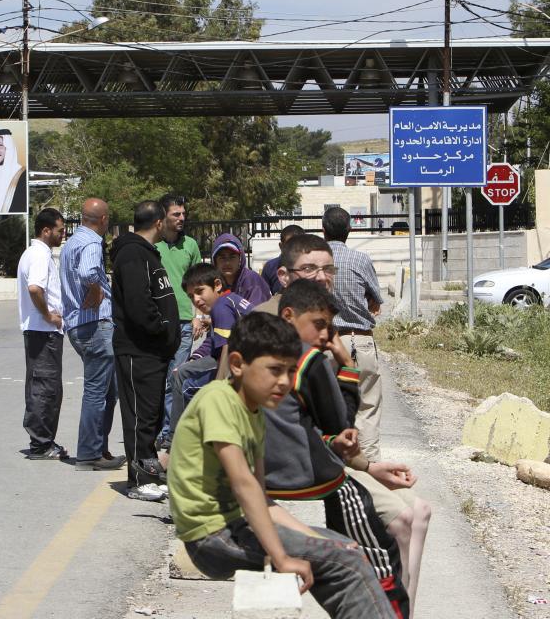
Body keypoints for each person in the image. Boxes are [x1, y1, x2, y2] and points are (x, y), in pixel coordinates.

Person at [167, 312, 395, 618]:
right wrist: (281, 556)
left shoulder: (255, 411)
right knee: (345, 562)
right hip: (211, 536)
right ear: (237, 364)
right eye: (275, 370)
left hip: (233, 527)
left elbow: (261, 496)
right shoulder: (218, 401)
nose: (286, 382)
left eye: (290, 371)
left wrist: (313, 539)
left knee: (347, 550)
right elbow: (244, 485)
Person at [266, 280, 410, 618]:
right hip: (308, 478)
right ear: (289, 316)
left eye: (329, 328)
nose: (324, 335)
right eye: (319, 325)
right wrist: (346, 365)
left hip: (262, 479)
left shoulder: (255, 345)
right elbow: (339, 424)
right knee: (380, 551)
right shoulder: (308, 360)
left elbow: (310, 429)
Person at [110, 200, 180, 501]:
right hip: (139, 350)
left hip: (152, 352)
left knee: (149, 416)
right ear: (158, 222)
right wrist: (162, 330)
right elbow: (140, 305)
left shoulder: (146, 254)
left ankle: (149, 473)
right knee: (139, 416)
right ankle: (139, 480)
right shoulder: (131, 254)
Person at [61, 198, 125, 471]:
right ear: (103, 219)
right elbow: (88, 272)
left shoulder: (72, 242)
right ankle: (88, 454)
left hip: (81, 325)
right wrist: (96, 289)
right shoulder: (91, 242)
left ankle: (99, 448)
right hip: (93, 325)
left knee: (109, 391)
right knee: (98, 392)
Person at [322, 206, 384, 461]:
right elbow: (377, 300)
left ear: (323, 231)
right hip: (359, 339)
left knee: (328, 403)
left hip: (325, 342)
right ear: (350, 229)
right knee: (367, 404)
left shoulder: (316, 262)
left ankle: (331, 460)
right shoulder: (361, 260)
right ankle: (367, 464)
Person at [166, 263, 253, 434]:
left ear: (217, 285)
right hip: (242, 358)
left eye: (200, 291)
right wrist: (194, 358)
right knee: (183, 371)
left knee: (185, 383)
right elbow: (215, 342)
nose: (196, 300)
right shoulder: (230, 300)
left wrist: (220, 389)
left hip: (245, 363)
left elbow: (226, 351)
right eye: (191, 296)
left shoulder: (221, 307)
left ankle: (175, 440)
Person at [155, 194, 203, 451]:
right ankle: (159, 427)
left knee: (176, 378)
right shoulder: (153, 245)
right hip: (158, 324)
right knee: (158, 378)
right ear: (163, 217)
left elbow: (199, 283)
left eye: (183, 214)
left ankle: (168, 432)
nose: (182, 218)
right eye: (176, 214)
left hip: (185, 323)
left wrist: (199, 316)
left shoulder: (191, 246)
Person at [17, 208, 66, 460]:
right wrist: (49, 316)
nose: (63, 234)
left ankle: (44, 441)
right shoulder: (37, 255)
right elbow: (35, 289)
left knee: (45, 385)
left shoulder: (39, 253)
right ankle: (41, 444)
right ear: (46, 230)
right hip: (42, 330)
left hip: (43, 331)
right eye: (59, 230)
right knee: (44, 387)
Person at [211, 233, 270, 305]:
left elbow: (257, 313)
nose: (227, 263)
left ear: (240, 259)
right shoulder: (213, 283)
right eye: (222, 258)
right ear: (215, 261)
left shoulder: (252, 280)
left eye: (232, 257)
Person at [260, 224, 305, 294]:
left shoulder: (311, 266)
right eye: (290, 245)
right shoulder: (270, 267)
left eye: (300, 245)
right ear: (281, 246)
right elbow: (263, 296)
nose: (295, 249)